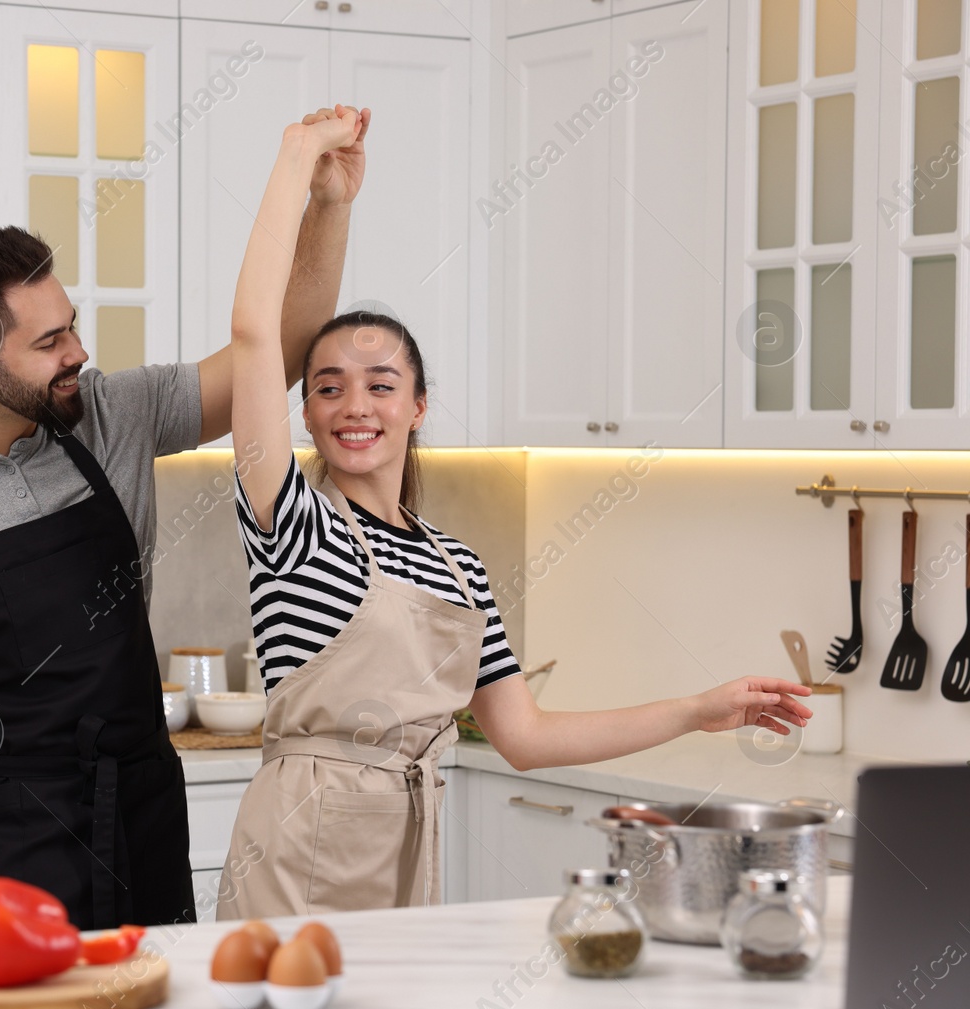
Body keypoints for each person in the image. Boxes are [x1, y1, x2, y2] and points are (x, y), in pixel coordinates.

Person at [216, 106, 814, 919]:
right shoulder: (292, 521)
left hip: (408, 845)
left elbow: (524, 738)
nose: (356, 405)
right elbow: (255, 333)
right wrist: (301, 166)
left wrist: (696, 709)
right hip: (297, 842)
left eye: (381, 384)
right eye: (328, 387)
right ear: (309, 414)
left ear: (419, 406)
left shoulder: (456, 564)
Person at [0, 108, 377, 931]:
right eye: (49, 340)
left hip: (139, 822)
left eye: (71, 323)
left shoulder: (113, 415)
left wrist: (329, 204)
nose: (77, 351)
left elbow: (274, 354)